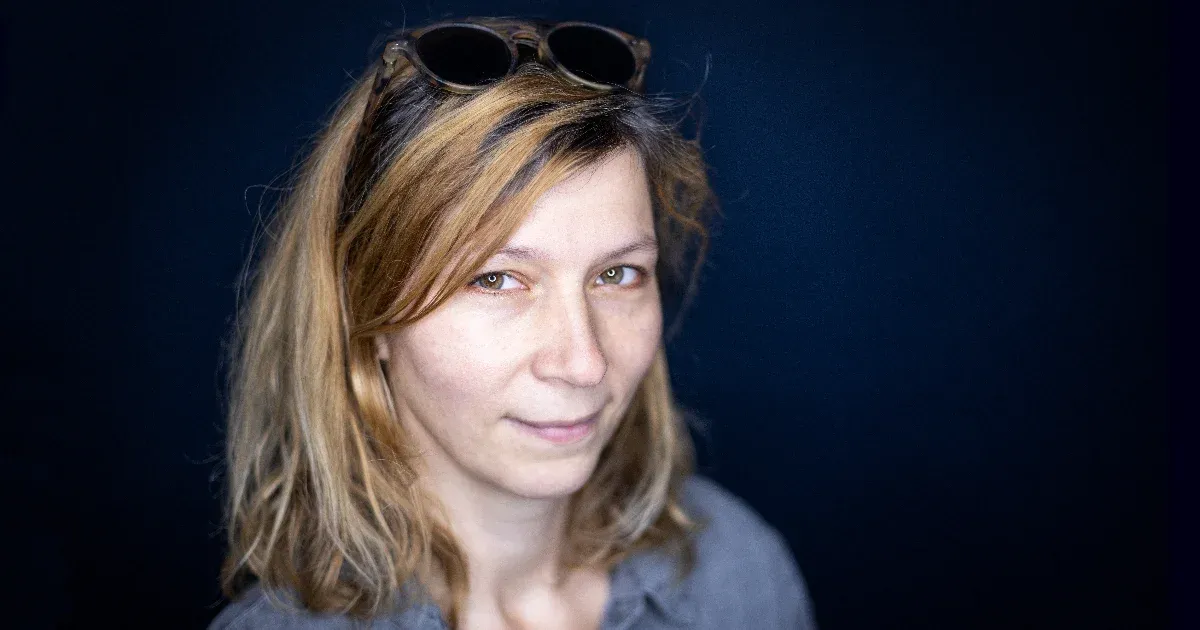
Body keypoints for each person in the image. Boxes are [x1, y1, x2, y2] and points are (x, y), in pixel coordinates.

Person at [208, 16, 817, 630]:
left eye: (617, 274)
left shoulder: (734, 575)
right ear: (364, 309)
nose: (584, 364)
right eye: (495, 280)